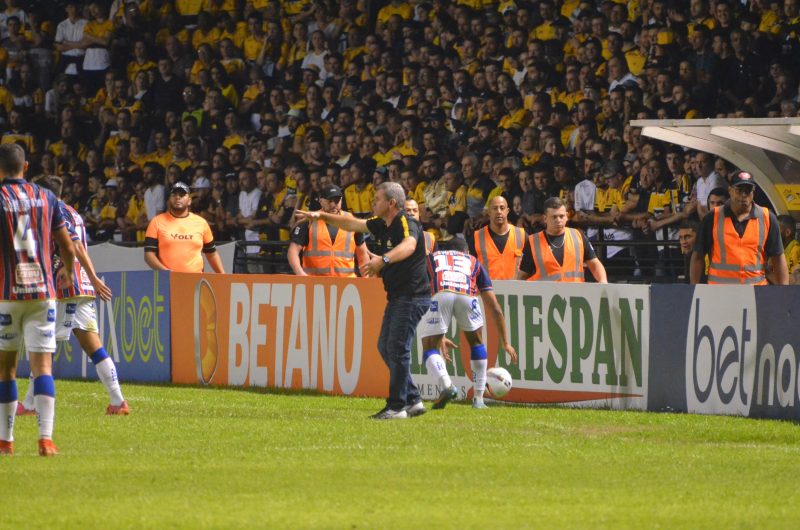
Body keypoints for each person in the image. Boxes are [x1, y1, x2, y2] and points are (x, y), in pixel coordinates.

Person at [296, 182, 430, 420]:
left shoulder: (405, 222)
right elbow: (353, 224)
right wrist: (321, 216)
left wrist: (383, 260)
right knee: (385, 346)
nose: (372, 202)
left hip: (412, 296)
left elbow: (409, 246)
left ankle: (396, 407)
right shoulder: (382, 223)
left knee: (397, 348)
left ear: (391, 203)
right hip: (399, 296)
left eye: (377, 199)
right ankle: (412, 400)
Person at [16, 176, 128, 417]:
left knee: (43, 346)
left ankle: (30, 404)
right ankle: (118, 401)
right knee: (93, 346)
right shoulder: (73, 212)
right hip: (81, 287)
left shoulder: (53, 209)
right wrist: (91, 280)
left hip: (64, 287)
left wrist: (95, 278)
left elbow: (74, 245)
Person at [0, 144, 75, 456]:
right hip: (43, 293)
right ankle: (46, 439)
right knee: (42, 367)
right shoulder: (47, 197)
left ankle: (6, 441)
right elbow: (67, 246)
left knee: (6, 370)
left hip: (7, 293)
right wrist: (68, 271)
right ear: (26, 167)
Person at [418, 238, 518, 410]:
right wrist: (505, 342)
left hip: (441, 293)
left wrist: (439, 335)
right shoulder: (473, 261)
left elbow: (422, 291)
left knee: (429, 347)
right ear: (466, 252)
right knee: (476, 343)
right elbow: (495, 308)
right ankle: (479, 399)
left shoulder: (433, 258)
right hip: (467, 295)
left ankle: (447, 385)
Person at [691, 171, 788, 285]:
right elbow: (698, 256)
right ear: (730, 190)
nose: (743, 195)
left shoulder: (767, 218)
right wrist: (694, 288)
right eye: (739, 190)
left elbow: (778, 257)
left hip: (756, 290)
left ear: (753, 192)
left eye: (748, 190)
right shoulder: (712, 218)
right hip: (721, 291)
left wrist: (784, 291)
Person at [516, 197, 608, 283]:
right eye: (554, 217)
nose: (558, 220)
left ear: (567, 216)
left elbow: (594, 264)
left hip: (575, 293)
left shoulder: (578, 236)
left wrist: (603, 281)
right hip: (546, 294)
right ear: (545, 218)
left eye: (561, 216)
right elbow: (522, 275)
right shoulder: (533, 242)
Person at [288, 184, 369, 276]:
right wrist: (301, 274)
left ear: (341, 200)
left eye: (337, 201)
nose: (333, 205)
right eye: (330, 201)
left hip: (346, 281)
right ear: (321, 201)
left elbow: (363, 254)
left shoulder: (351, 220)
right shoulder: (310, 220)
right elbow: (293, 251)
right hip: (316, 281)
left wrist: (366, 278)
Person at [144, 182, 225, 273]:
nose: (178, 197)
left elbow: (212, 254)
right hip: (167, 279)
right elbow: (149, 255)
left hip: (196, 279)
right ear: (169, 199)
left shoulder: (201, 223)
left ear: (189, 201)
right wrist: (167, 273)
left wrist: (223, 276)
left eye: (182, 195)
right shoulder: (156, 222)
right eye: (174, 195)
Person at [471, 196, 526, 280]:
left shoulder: (522, 235)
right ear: (489, 212)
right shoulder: (477, 237)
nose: (499, 211)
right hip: (487, 288)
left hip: (515, 288)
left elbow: (529, 269)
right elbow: (471, 269)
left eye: (502, 208)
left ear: (507, 211)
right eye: (495, 208)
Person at [677, 219, 703, 283]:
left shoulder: (704, 257)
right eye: (681, 237)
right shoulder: (687, 256)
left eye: (688, 237)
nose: (683, 242)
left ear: (698, 237)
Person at [777, 215, 800, 284]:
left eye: (775, 230)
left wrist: (768, 273)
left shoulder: (796, 250)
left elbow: (791, 281)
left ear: (787, 232)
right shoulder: (775, 250)